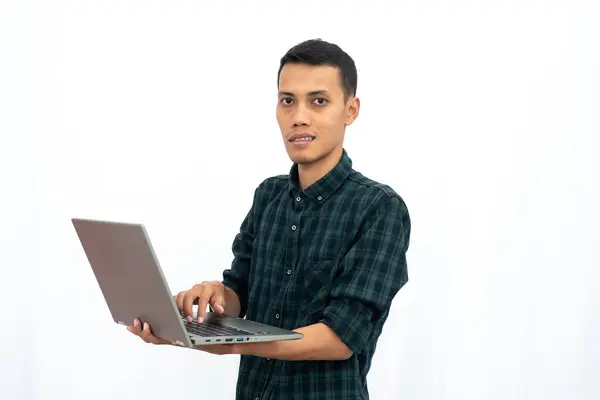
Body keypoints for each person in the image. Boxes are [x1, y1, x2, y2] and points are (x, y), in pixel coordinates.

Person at [127, 38, 411, 399]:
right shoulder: (268, 196)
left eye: (318, 101)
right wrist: (209, 305)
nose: (299, 116)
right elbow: (239, 295)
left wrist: (235, 344)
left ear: (350, 110)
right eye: (287, 100)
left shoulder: (379, 208)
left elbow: (341, 337)